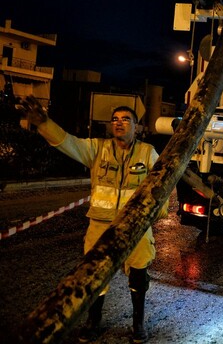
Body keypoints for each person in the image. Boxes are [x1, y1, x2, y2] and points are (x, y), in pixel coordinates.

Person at [18, 95, 167, 343]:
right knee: (96, 278)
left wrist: (156, 214)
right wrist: (43, 123)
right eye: (115, 120)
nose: (119, 123)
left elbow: (162, 184)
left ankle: (138, 324)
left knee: (138, 276)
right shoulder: (97, 148)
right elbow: (67, 142)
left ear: (137, 127)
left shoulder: (147, 152)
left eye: (126, 119)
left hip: (137, 228)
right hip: (100, 227)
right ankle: (93, 322)